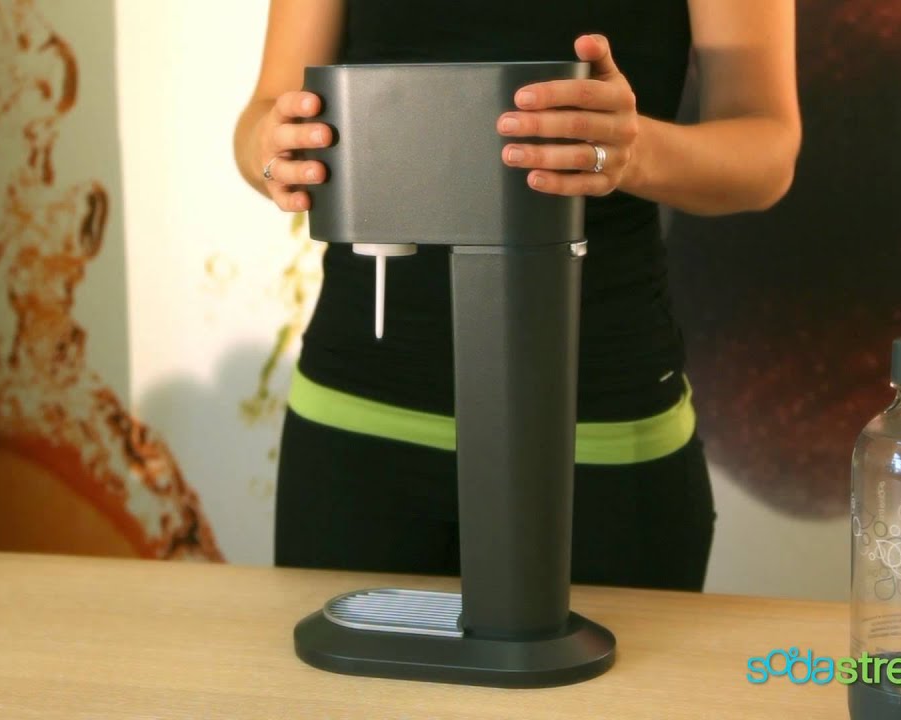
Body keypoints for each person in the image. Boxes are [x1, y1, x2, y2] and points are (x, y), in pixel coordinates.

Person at [232, 0, 800, 591]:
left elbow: (767, 148)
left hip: (598, 433)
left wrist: (632, 152)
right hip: (354, 426)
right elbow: (265, 114)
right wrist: (270, 148)